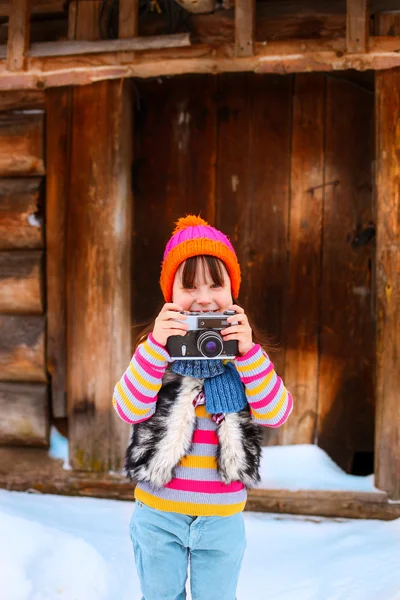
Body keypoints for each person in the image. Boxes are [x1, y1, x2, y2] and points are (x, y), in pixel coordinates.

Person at [113, 215, 293, 600]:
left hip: (222, 519)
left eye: (216, 283)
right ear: (170, 295)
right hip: (159, 515)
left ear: (232, 291)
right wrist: (155, 348)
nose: (204, 296)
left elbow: (276, 412)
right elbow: (128, 407)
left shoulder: (243, 359)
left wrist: (249, 355)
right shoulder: (157, 354)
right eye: (189, 285)